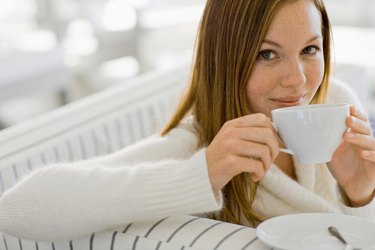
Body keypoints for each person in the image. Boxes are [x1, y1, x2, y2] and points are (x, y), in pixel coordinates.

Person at [1, 0, 375, 241]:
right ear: (224, 60)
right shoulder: (198, 146)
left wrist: (362, 195)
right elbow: (17, 209)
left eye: (310, 49)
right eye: (267, 54)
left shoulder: (338, 101)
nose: (298, 79)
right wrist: (202, 173)